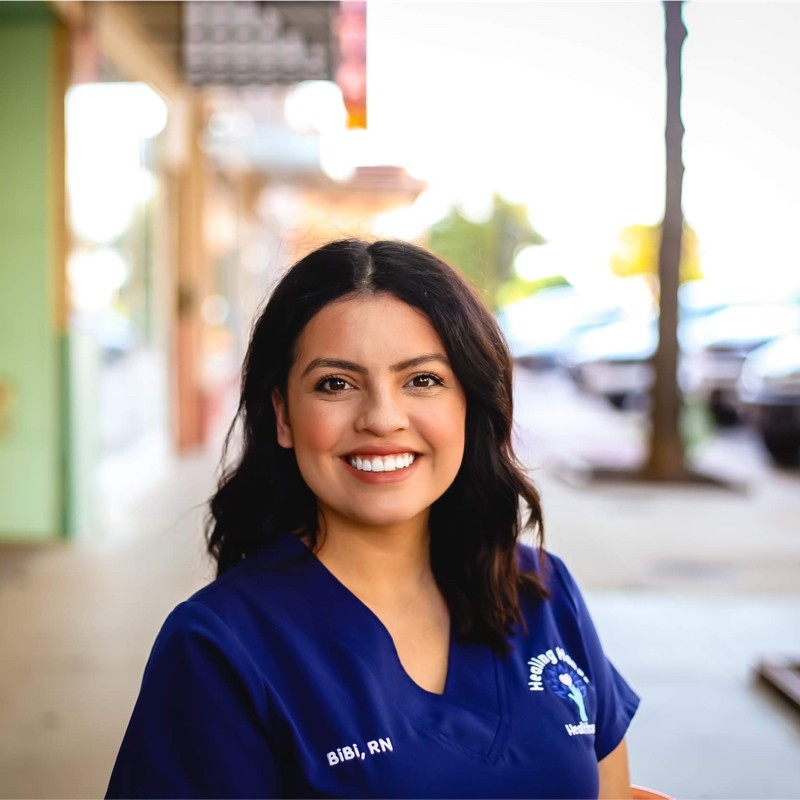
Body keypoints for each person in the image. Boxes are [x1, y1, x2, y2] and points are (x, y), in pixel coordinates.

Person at [106, 239, 639, 799]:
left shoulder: (545, 596)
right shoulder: (219, 648)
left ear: (468, 404)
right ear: (283, 416)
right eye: (336, 383)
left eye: (422, 380)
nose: (382, 418)